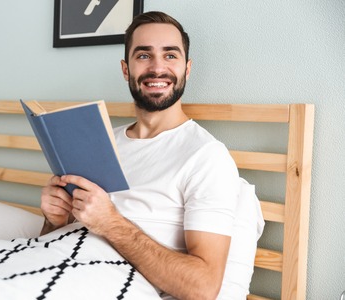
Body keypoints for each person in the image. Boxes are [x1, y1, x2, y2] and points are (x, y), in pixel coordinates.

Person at [40, 11, 264, 300]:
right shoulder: (102, 142)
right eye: (144, 55)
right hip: (53, 268)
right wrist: (53, 222)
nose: (157, 68)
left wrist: (111, 223)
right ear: (126, 69)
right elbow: (51, 243)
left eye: (170, 55)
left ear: (187, 68)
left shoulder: (206, 157)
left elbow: (203, 287)